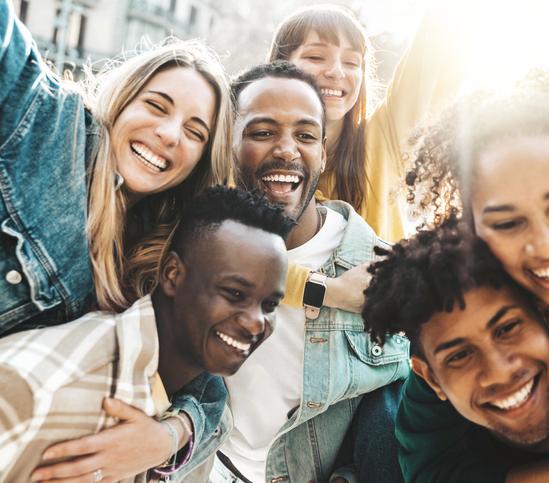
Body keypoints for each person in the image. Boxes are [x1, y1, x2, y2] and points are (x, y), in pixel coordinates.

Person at [0, 0, 234, 479]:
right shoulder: (48, 125)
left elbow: (210, 393)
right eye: (156, 105)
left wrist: (168, 436)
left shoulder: (166, 255)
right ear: (123, 97)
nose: (169, 134)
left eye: (195, 131)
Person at [398, 69, 549, 481]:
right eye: (508, 223)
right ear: (469, 226)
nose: (547, 245)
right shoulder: (460, 319)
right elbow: (437, 472)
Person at [1, 186, 291, 482]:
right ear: (172, 275)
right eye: (234, 293)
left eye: (269, 305)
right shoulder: (38, 384)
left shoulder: (199, 423)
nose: (256, 323)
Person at [212, 61, 410, 483]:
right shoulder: (188, 243)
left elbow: (405, 415)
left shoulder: (384, 273)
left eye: (304, 135)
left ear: (324, 150)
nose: (286, 150)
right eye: (262, 132)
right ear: (225, 142)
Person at [363, 217, 549, 482]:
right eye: (460, 355)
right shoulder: (443, 443)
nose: (499, 371)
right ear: (432, 378)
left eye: (507, 329)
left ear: (546, 316)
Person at [268, 2, 469, 311]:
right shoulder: (248, 155)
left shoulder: (384, 137)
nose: (336, 72)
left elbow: (439, 41)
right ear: (279, 67)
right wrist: (330, 291)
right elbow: (225, 260)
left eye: (352, 62)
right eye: (315, 57)